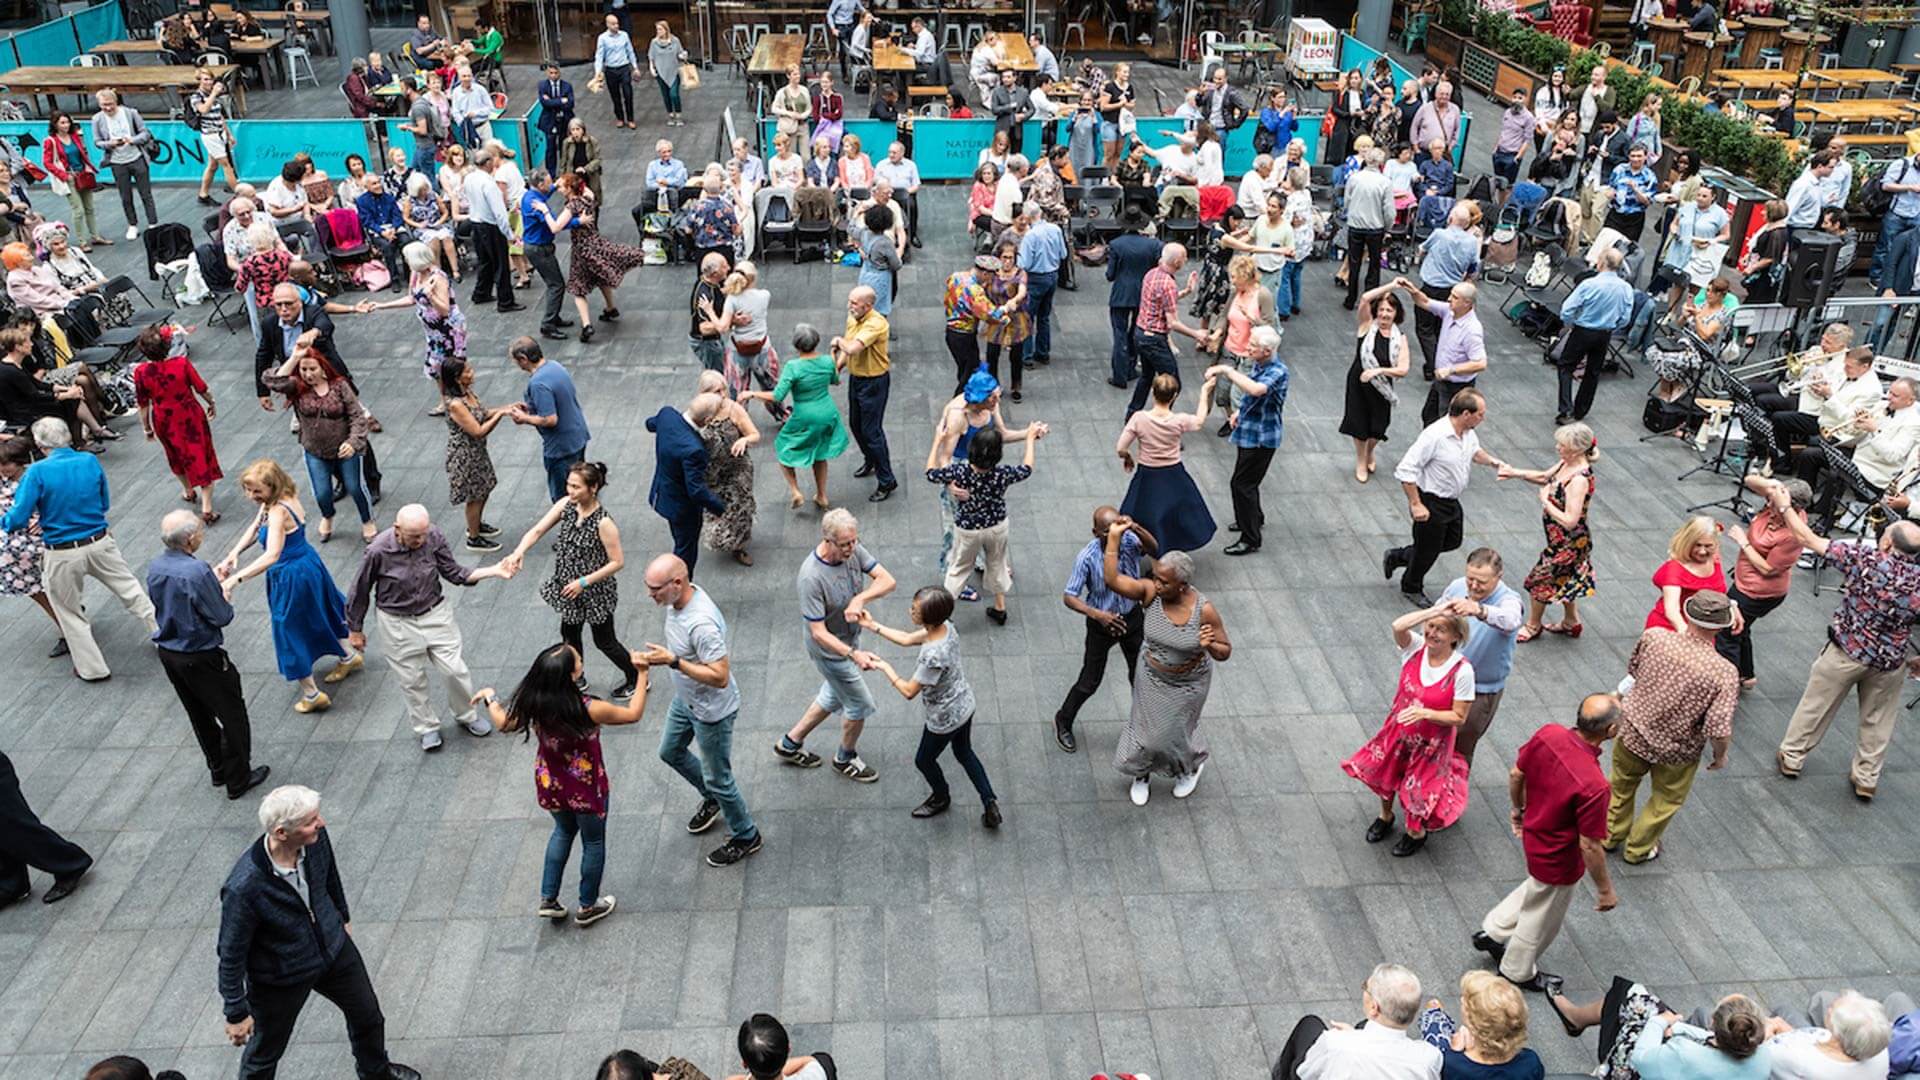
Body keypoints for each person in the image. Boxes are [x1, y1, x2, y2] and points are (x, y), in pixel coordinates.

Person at [217, 786, 419, 1079]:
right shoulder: (244, 887)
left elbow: (329, 876)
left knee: (368, 1016)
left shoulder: (314, 840)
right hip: (281, 976)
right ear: (282, 833)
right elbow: (230, 953)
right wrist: (236, 1012)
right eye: (310, 821)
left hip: (333, 950)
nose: (321, 823)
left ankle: (376, 1073)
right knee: (264, 1054)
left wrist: (341, 917)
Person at [476, 641, 645, 925]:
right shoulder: (589, 708)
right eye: (578, 661)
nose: (581, 662)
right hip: (586, 787)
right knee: (593, 841)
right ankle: (588, 906)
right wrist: (642, 674)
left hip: (551, 783)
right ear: (571, 675)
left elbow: (504, 723)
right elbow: (633, 714)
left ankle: (549, 898)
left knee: (563, 831)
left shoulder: (535, 704)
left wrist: (490, 697)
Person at [1470, 695, 1621, 994]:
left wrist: (1518, 810)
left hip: (1535, 835)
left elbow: (1516, 773)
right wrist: (1605, 889)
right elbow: (1590, 845)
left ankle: (1494, 930)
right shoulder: (1595, 786)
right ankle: (1517, 971)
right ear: (1611, 731)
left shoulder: (1549, 734)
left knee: (1537, 889)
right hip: (1560, 857)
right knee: (1542, 918)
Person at [1770, 503, 1920, 801]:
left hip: (1847, 651)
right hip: (1890, 661)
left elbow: (1808, 539)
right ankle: (1866, 778)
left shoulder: (1865, 558)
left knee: (1816, 705)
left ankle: (1793, 757)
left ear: (1887, 543)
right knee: (1878, 721)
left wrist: (1785, 505)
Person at [0, 417, 157, 681]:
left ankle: (92, 668)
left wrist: (6, 521)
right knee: (132, 591)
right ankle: (165, 636)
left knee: (69, 612)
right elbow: (104, 502)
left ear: (40, 444)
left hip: (62, 550)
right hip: (99, 540)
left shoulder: (37, 472)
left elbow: (17, 518)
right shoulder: (89, 461)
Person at [633, 553, 762, 867]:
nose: (650, 594)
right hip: (686, 699)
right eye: (649, 587)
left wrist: (674, 662)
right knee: (670, 751)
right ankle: (713, 798)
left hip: (711, 711)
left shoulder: (701, 624)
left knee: (720, 778)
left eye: (655, 589)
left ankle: (746, 834)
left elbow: (720, 676)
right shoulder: (678, 600)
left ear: (677, 583)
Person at [346, 504, 509, 752]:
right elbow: (360, 589)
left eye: (423, 534)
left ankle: (466, 714)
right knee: (411, 679)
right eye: (414, 536)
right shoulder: (378, 550)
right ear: (397, 529)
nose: (421, 541)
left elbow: (453, 572)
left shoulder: (433, 535)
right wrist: (355, 629)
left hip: (435, 614)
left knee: (455, 670)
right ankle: (426, 727)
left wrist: (493, 571)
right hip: (397, 621)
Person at [1099, 519, 1230, 806]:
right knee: (1144, 733)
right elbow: (1113, 580)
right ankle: (1141, 774)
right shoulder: (1150, 593)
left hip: (1188, 683)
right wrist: (1114, 539)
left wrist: (1210, 646)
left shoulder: (1204, 610)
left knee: (1176, 732)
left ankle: (1190, 768)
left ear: (1182, 586)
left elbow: (1225, 651)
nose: (1157, 584)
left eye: (1164, 582)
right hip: (1151, 675)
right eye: (1156, 577)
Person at [145, 508, 268, 799]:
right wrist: (222, 593)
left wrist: (210, 583)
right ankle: (238, 778)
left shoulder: (156, 566)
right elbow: (221, 616)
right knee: (232, 714)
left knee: (198, 712)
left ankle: (218, 768)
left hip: (170, 652)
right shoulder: (197, 571)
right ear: (190, 539)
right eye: (199, 531)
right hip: (201, 655)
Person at [1609, 592, 1738, 863]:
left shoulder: (1654, 637)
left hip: (1633, 733)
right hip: (1677, 750)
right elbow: (1718, 728)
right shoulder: (1724, 672)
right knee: (1665, 800)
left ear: (1687, 614)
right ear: (1721, 626)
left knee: (1620, 786)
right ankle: (1638, 849)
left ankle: (1609, 835)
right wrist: (1720, 755)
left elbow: (1634, 671)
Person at [862, 585, 1003, 827]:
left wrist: (884, 666)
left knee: (924, 760)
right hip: (964, 703)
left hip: (944, 717)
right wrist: (872, 625)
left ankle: (941, 797)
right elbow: (907, 639)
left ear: (929, 617)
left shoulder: (933, 656)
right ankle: (989, 801)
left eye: (915, 610)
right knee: (964, 752)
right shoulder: (946, 627)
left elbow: (909, 691)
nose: (910, 611)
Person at [774, 508, 896, 782]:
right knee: (859, 705)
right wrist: (854, 655)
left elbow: (888, 581)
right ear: (827, 540)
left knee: (833, 694)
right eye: (844, 544)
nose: (851, 548)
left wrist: (859, 599)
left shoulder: (852, 550)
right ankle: (845, 758)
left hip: (848, 638)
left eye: (854, 541)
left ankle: (790, 743)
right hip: (830, 652)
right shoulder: (811, 577)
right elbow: (818, 633)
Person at [1343, 602, 1474, 856]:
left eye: (1441, 630)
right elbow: (1398, 626)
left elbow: (1459, 717)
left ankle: (1416, 833)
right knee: (1386, 774)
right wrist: (1436, 611)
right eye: (1430, 626)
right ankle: (1385, 816)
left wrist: (1426, 713)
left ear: (1456, 637)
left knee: (1418, 790)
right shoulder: (1415, 647)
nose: (1432, 633)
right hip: (1399, 731)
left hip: (1432, 744)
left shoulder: (1463, 671)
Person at [502, 460, 642, 699]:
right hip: (568, 587)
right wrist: (518, 552)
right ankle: (577, 676)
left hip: (594, 591)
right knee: (569, 633)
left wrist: (583, 582)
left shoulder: (603, 522)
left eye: (576, 487)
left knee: (604, 641)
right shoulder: (566, 505)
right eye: (569, 485)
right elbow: (537, 530)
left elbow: (617, 562)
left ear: (593, 488)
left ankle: (636, 677)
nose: (570, 491)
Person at [1385, 389, 1506, 604]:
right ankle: (1411, 586)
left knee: (1452, 541)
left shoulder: (1467, 432)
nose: (1483, 418)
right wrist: (1416, 504)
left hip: (1451, 500)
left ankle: (1400, 556)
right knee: (1427, 550)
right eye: (1480, 414)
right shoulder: (1435, 436)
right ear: (1466, 414)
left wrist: (1493, 462)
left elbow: (1475, 452)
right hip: (1431, 501)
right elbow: (1406, 469)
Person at [263, 332, 377, 544]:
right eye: (304, 369)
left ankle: (367, 520)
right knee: (322, 492)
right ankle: (328, 516)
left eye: (312, 369)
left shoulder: (339, 386)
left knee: (355, 487)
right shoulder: (297, 387)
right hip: (315, 450)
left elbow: (357, 416)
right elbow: (272, 381)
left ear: (323, 369)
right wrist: (295, 357)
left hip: (345, 449)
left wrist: (353, 443)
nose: (308, 374)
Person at [924, 423, 1040, 626]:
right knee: (997, 563)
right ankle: (1000, 608)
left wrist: (937, 440)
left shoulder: (959, 472)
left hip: (968, 529)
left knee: (958, 567)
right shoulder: (1002, 474)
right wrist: (1030, 438)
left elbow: (930, 473)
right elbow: (1027, 468)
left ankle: (945, 615)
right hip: (997, 526)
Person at [1543, 983, 1771, 1078]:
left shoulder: (1684, 1052)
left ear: (1712, 1022)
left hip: (1646, 1067)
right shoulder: (1763, 1057)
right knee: (1640, 1002)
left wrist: (1661, 1022)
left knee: (1637, 1009)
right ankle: (1576, 1018)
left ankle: (1578, 1022)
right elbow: (1708, 1040)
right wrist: (1677, 1026)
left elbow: (1641, 1058)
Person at [1506, 423, 1599, 642]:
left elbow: (1570, 520)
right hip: (1558, 539)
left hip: (1569, 543)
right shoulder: (1566, 463)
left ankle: (1533, 625)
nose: (1558, 447)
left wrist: (1546, 501)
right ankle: (1571, 621)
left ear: (1577, 450)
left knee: (1540, 580)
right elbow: (1544, 477)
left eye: (1563, 445)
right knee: (1566, 578)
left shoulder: (1578, 480)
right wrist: (1515, 473)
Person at [740, 324, 846, 510]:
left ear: (796, 345)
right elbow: (835, 380)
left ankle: (795, 490)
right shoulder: (827, 361)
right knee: (820, 453)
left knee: (784, 447)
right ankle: (822, 495)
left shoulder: (793, 367)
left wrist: (752, 393)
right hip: (827, 412)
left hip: (805, 414)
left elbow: (777, 396)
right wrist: (832, 354)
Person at [1275, 964, 1441, 1080]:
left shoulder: (1335, 1043)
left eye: (1365, 988)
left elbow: (1306, 1072)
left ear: (1374, 1007)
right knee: (1363, 1025)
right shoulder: (1429, 1058)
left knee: (1309, 1024)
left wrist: (1350, 1038)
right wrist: (1355, 1036)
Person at [1118, 372, 1218, 555]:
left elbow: (1121, 447)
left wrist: (1127, 457)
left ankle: (1144, 544)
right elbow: (1199, 421)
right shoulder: (1179, 420)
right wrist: (1205, 391)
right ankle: (1171, 544)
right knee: (1176, 511)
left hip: (1147, 473)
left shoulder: (1139, 418)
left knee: (1142, 510)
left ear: (1152, 392)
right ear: (1174, 396)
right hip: (1174, 472)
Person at [1208, 327, 1287, 556]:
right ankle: (1252, 517)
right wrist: (1239, 412)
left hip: (1262, 438)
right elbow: (1252, 397)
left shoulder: (1278, 371)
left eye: (1253, 345)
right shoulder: (1259, 365)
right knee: (1248, 482)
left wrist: (1226, 369)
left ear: (1267, 350)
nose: (1248, 347)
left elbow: (1256, 389)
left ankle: (1250, 538)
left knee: (1242, 484)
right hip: (1249, 431)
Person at [132, 324, 222, 524]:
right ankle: (207, 507)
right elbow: (201, 388)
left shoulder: (141, 372)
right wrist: (211, 403)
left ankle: (188, 490)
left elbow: (143, 404)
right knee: (201, 454)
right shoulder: (181, 364)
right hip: (190, 415)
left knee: (175, 454)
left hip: (164, 419)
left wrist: (147, 428)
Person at [645, 394, 728, 577]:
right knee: (686, 549)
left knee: (679, 538)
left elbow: (650, 424)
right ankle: (681, 584)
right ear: (707, 420)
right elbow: (696, 489)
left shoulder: (667, 415)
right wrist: (720, 509)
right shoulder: (694, 450)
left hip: (661, 493)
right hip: (682, 508)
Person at [556, 172, 641, 339]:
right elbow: (585, 189)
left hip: (582, 250)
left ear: (569, 188)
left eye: (560, 186)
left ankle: (586, 325)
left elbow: (556, 226)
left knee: (578, 289)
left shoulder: (571, 207)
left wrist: (545, 211)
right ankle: (610, 308)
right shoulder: (588, 198)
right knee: (600, 277)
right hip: (596, 243)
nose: (557, 189)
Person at [0, 438, 64, 659]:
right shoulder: (5, 482)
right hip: (14, 550)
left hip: (40, 542)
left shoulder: (36, 479)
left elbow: (57, 502)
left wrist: (44, 519)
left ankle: (67, 623)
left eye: (6, 464)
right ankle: (64, 622)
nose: (2, 469)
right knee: (37, 590)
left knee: (52, 585)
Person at [1342, 282, 1411, 483]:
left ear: (1396, 313)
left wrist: (1378, 371)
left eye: (1389, 310)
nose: (1384, 314)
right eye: (1381, 310)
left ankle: (1369, 451)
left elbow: (1403, 369)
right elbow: (1365, 298)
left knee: (1379, 426)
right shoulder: (1367, 326)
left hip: (1381, 387)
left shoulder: (1400, 338)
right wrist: (1392, 285)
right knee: (1359, 424)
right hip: (1359, 383)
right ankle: (1361, 460)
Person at [1416, 972, 1548, 1077]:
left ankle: (1433, 1014)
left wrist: (1454, 1052)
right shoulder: (1531, 1062)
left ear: (1471, 1023)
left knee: (1435, 1035)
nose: (1461, 999)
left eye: (1465, 1002)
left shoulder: (1452, 1065)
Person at [1128, 245, 1207, 419]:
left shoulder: (1152, 274)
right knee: (1173, 385)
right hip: (1154, 340)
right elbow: (1173, 323)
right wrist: (1197, 334)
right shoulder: (1168, 284)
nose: (1186, 260)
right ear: (1177, 261)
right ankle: (1162, 421)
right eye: (1184, 257)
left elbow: (1161, 300)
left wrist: (1186, 291)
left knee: (1147, 377)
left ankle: (1132, 416)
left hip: (1140, 333)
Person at [508, 337, 591, 503]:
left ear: (523, 359)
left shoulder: (537, 383)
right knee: (579, 485)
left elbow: (550, 419)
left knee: (563, 497)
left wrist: (525, 418)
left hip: (561, 447)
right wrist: (532, 408)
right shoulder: (555, 366)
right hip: (577, 436)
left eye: (516, 361)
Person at [1555, 247, 1633, 424]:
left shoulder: (1589, 284)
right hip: (1604, 333)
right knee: (1593, 372)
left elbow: (1567, 309)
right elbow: (1625, 318)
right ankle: (1581, 410)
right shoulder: (1625, 288)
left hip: (1583, 330)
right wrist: (1612, 326)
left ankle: (1566, 410)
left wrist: (1570, 322)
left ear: (1602, 262)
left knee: (1566, 366)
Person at [835, 285, 895, 502]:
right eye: (849, 301)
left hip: (874, 382)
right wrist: (837, 368)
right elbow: (848, 347)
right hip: (857, 378)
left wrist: (838, 342)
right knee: (856, 424)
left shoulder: (876, 324)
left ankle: (886, 480)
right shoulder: (853, 318)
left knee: (872, 431)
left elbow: (852, 347)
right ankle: (871, 459)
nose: (849, 306)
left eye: (854, 303)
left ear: (868, 306)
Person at [1106, 207, 1163, 390]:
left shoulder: (1116, 244)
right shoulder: (1154, 245)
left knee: (1119, 334)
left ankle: (1119, 375)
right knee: (1135, 333)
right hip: (1143, 294)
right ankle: (1131, 367)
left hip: (1121, 294)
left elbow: (1110, 275)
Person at [89, 90, 157, 241]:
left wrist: (133, 140)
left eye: (110, 104)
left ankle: (153, 223)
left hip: (137, 158)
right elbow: (97, 141)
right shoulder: (97, 119)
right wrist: (110, 143)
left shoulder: (131, 113)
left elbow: (145, 133)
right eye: (103, 105)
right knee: (125, 196)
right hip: (117, 162)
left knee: (146, 194)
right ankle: (132, 224)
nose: (107, 108)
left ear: (116, 102)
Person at [1646, 515, 1728, 632]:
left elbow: (1719, 591)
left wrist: (1732, 607)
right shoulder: (1674, 569)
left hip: (1703, 629)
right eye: (1697, 545)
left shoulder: (1714, 558)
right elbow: (1672, 611)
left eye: (1708, 546)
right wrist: (1688, 636)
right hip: (1670, 631)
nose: (1702, 551)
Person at [593, 14, 638, 129]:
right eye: (613, 24)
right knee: (615, 95)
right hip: (611, 69)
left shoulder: (624, 35)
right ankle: (620, 118)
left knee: (628, 94)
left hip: (624, 67)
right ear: (607, 24)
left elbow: (630, 51)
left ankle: (630, 118)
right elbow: (599, 56)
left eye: (617, 23)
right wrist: (598, 71)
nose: (616, 26)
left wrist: (635, 67)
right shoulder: (602, 38)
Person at [535, 63, 576, 176]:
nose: (553, 75)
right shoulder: (542, 85)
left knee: (564, 146)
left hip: (564, 120)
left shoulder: (567, 86)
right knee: (550, 148)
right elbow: (545, 103)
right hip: (549, 121)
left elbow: (570, 104)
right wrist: (561, 101)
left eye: (555, 73)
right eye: (551, 73)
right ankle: (551, 173)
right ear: (547, 73)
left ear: (559, 72)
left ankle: (564, 170)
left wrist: (552, 101)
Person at [647, 19, 688, 127]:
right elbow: (651, 57)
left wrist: (683, 56)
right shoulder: (654, 42)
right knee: (665, 95)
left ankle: (678, 115)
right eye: (657, 29)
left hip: (674, 71)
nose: (658, 32)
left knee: (674, 94)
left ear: (666, 30)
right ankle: (670, 115)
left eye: (660, 29)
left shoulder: (675, 41)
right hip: (661, 72)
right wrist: (652, 68)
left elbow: (680, 53)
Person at [1411, 80, 1461, 160]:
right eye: (1441, 94)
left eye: (1447, 94)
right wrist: (1416, 148)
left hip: (1442, 154)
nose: (1444, 96)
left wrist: (1451, 146)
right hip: (1423, 152)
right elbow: (1414, 127)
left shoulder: (1455, 110)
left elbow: (1457, 130)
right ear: (1436, 94)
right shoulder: (1425, 108)